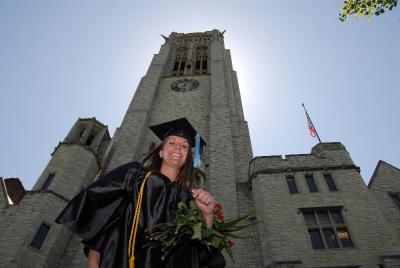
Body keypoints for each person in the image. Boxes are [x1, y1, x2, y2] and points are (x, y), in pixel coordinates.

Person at [56, 118, 226, 268]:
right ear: (160, 151)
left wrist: (207, 215)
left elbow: (195, 251)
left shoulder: (187, 198)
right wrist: (93, 263)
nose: (177, 148)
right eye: (172, 143)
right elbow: (106, 220)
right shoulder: (135, 176)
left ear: (188, 156)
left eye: (184, 146)